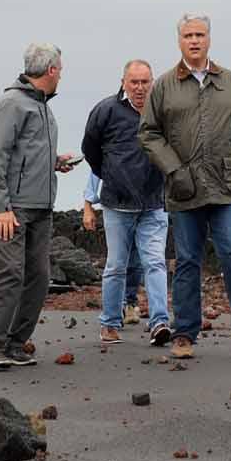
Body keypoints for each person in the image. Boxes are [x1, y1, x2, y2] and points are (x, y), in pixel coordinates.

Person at [138, 13, 231, 361]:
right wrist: (174, 169)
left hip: (227, 185)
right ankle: (184, 334)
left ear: (209, 39)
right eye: (187, 35)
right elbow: (148, 133)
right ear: (179, 41)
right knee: (187, 262)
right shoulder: (164, 85)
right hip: (185, 188)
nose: (194, 41)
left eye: (199, 34)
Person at [0, 42, 76, 369]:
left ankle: (15, 344)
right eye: (60, 69)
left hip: (41, 207)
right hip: (13, 208)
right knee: (10, 273)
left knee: (38, 275)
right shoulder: (11, 104)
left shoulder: (43, 106)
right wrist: (1, 206)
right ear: (50, 70)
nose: (61, 74)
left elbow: (27, 155)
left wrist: (54, 162)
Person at [79, 58, 172, 346]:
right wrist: (106, 178)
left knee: (155, 263)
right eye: (134, 82)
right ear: (123, 82)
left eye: (145, 82)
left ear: (153, 82)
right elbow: (90, 149)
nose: (140, 87)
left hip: (155, 203)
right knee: (117, 265)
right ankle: (109, 324)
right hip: (117, 204)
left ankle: (159, 322)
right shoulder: (106, 110)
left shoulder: (164, 112)